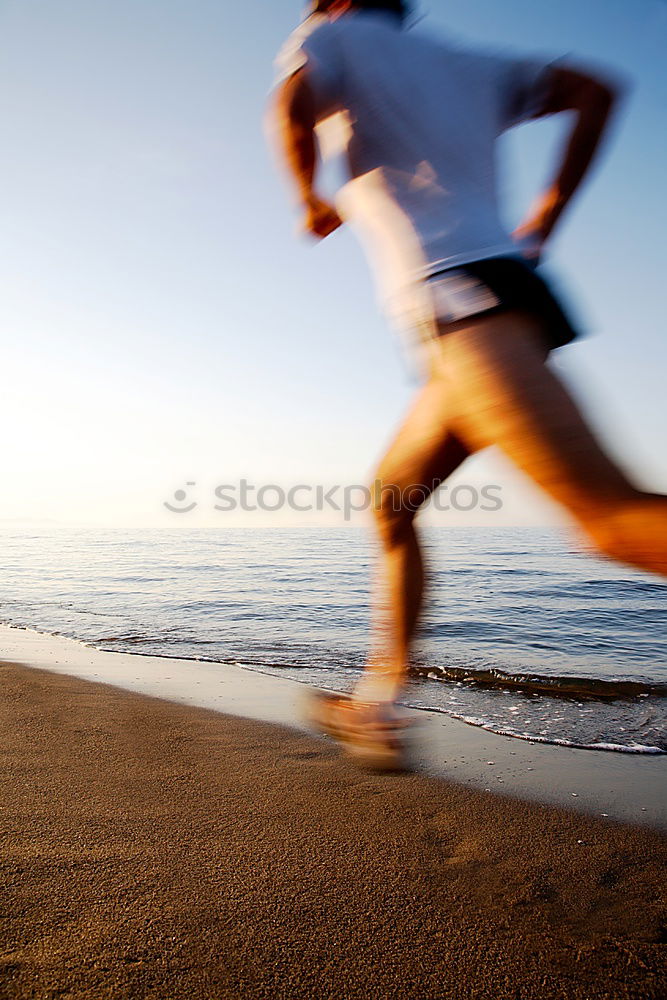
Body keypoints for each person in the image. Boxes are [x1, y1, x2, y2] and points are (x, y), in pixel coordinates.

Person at [268, 0, 667, 768]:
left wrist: (308, 195)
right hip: (476, 309)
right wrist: (547, 210)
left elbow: (289, 106)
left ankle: (377, 703)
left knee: (605, 521)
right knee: (391, 501)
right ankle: (375, 704)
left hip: (463, 306)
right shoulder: (468, 64)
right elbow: (597, 88)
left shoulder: (326, 34)